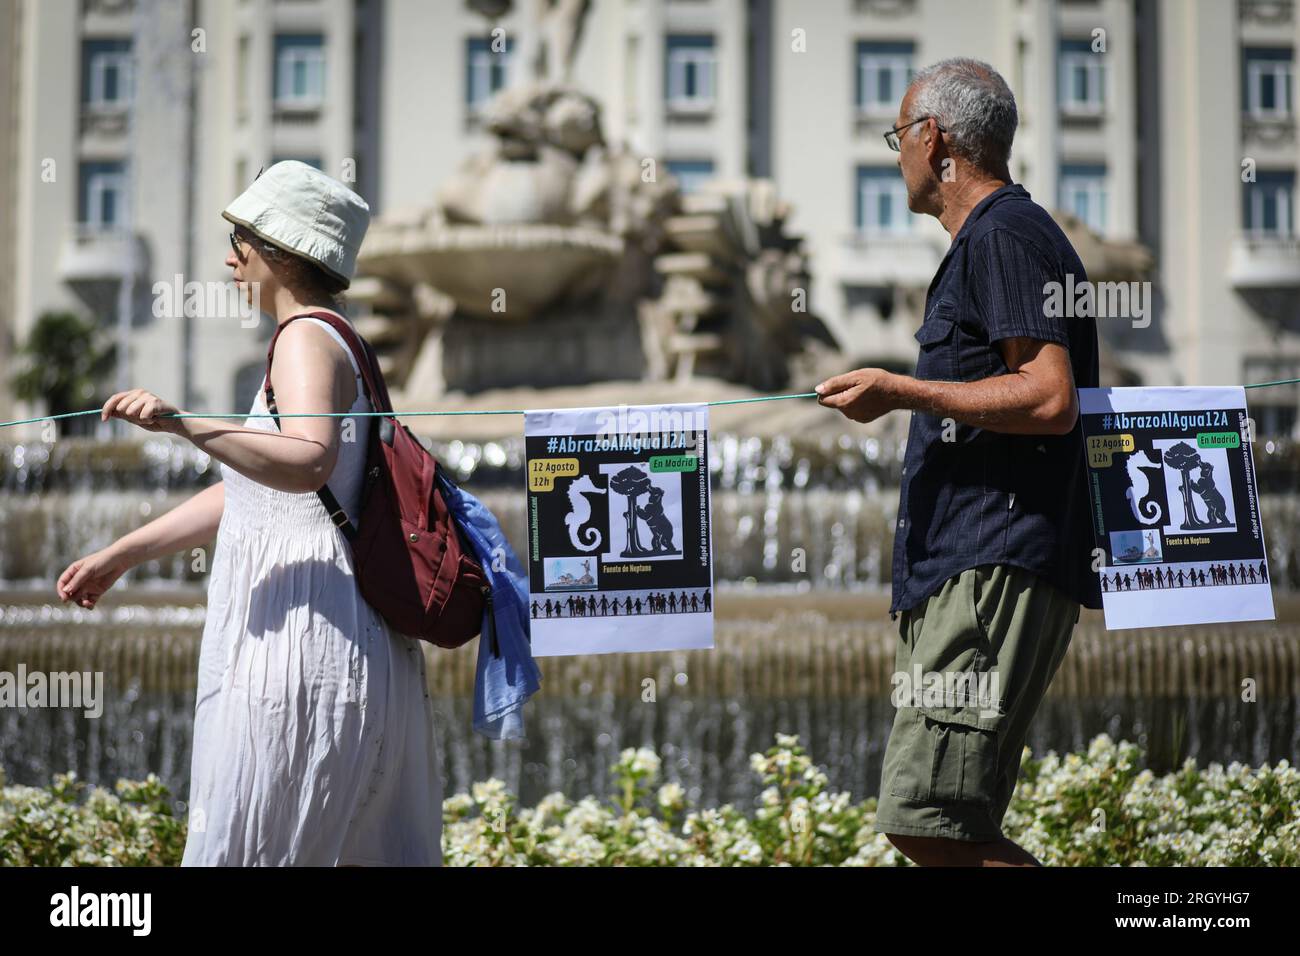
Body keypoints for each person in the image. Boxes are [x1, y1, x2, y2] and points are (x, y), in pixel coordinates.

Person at [55, 161, 441, 866]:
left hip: (300, 641)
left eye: (242, 241)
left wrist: (183, 425)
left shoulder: (303, 339)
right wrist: (123, 555)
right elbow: (251, 487)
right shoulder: (339, 340)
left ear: (281, 251)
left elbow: (307, 461)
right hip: (348, 637)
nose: (230, 258)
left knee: (252, 848)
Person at [816, 59, 1103, 866]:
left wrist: (901, 390)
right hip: (973, 572)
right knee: (945, 820)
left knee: (926, 818)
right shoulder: (1001, 237)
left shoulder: (1005, 236)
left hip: (988, 569)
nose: (895, 154)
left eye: (897, 135)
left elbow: (1049, 398)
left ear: (933, 138)